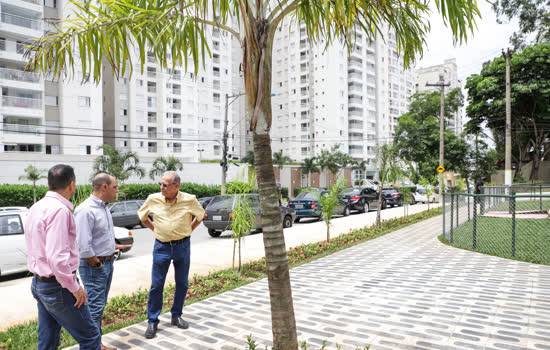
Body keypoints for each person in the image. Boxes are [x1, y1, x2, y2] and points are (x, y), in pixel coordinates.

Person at [25, 164, 101, 350]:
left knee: (48, 341)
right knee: (91, 337)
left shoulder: (36, 207)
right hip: (57, 287)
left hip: (39, 285)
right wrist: (74, 287)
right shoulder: (59, 210)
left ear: (50, 183)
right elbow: (56, 258)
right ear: (71, 185)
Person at [137, 171, 205, 339]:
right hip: (162, 247)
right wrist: (155, 229)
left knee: (182, 283)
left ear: (176, 186)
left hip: (183, 246)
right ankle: (152, 321)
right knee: (156, 285)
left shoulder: (190, 199)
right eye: (161, 184)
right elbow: (142, 216)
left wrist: (189, 229)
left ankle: (176, 315)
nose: (162, 187)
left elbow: (201, 215)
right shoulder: (153, 198)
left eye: (165, 185)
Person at [75, 174, 128, 350]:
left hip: (106, 262)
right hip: (94, 266)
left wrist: (114, 246)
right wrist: (97, 264)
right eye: (115, 187)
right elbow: (83, 246)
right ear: (104, 187)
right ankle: (91, 346)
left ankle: (97, 344)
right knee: (94, 309)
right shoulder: (86, 210)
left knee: (99, 306)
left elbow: (100, 235)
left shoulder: (103, 208)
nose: (117, 190)